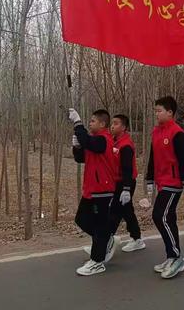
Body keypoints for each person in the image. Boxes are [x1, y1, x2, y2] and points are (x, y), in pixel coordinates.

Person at [146, 96, 184, 279]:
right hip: (161, 181)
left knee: (160, 216)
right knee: (168, 218)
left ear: (170, 112)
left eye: (159, 110)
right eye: (155, 110)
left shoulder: (177, 133)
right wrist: (150, 180)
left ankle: (176, 257)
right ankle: (171, 255)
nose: (156, 114)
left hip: (174, 183)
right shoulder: (156, 132)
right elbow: (153, 158)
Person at [69, 108, 118, 276]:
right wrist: (76, 146)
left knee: (99, 226)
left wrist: (77, 122)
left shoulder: (104, 140)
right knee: (81, 219)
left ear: (102, 124)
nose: (90, 123)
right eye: (88, 121)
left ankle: (97, 261)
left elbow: (89, 143)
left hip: (102, 189)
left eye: (92, 121)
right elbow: (81, 158)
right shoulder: (94, 141)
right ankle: (105, 239)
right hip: (91, 189)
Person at [109, 114, 145, 252]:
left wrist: (126, 188)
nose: (112, 126)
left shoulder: (126, 145)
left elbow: (127, 169)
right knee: (127, 211)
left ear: (124, 127)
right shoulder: (114, 141)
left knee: (114, 212)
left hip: (125, 183)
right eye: (112, 123)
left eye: (116, 123)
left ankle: (105, 242)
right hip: (116, 182)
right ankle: (137, 238)